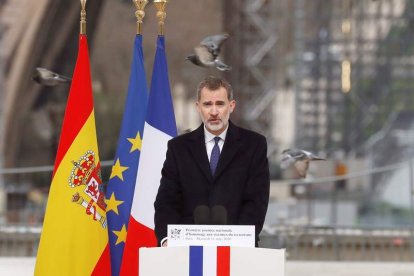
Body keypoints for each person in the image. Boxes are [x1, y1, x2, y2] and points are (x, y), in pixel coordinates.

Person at [154, 76, 270, 246]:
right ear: (198, 107)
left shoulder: (254, 145)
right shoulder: (178, 148)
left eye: (220, 104)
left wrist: (238, 241)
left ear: (231, 106)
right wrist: (166, 239)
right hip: (186, 252)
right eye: (207, 104)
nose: (214, 112)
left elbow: (256, 201)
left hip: (237, 252)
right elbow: (167, 201)